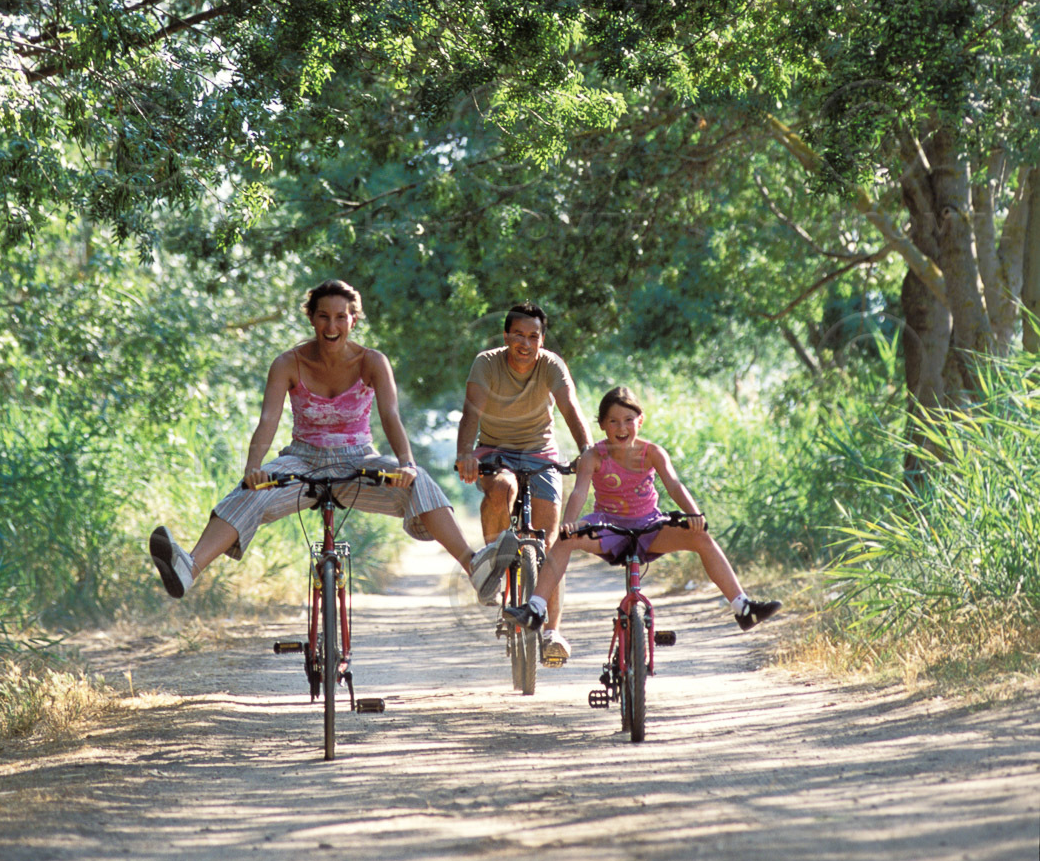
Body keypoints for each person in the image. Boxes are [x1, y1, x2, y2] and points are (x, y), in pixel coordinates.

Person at [148, 279, 516, 604]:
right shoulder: (287, 363)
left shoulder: (372, 361)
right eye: (323, 316)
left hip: (359, 462)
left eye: (341, 317)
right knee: (248, 491)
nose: (332, 325)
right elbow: (268, 421)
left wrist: (405, 461)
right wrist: (253, 468)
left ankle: (475, 567)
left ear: (354, 320)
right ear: (311, 318)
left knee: (419, 480)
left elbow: (390, 416)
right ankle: (188, 567)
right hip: (302, 460)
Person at [506, 385, 781, 635]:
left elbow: (674, 485)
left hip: (649, 526)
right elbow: (579, 492)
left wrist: (695, 514)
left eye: (628, 420)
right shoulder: (593, 456)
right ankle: (536, 609)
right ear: (602, 425)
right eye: (613, 421)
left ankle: (743, 608)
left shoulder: (652, 453)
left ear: (640, 420)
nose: (621, 427)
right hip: (608, 527)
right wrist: (569, 523)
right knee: (563, 541)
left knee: (702, 538)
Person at [456, 303, 592, 665]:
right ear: (506, 336)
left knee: (551, 543)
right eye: (519, 335)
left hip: (540, 453)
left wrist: (587, 451)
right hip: (495, 452)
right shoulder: (486, 363)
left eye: (534, 337)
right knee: (502, 488)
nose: (526, 343)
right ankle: (493, 569)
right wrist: (465, 453)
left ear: (541, 340)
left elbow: (570, 407)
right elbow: (472, 411)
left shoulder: (551, 365)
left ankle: (552, 633)